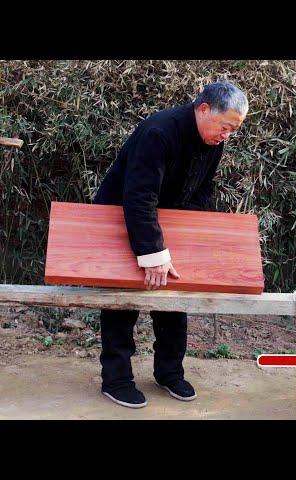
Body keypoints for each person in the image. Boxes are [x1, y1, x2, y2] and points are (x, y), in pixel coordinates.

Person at [93, 81, 248, 408]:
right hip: (119, 218)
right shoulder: (159, 132)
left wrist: (188, 238)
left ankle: (169, 372)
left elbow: (201, 191)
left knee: (175, 300)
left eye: (234, 130)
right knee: (122, 303)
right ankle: (116, 379)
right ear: (204, 109)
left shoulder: (213, 140)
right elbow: (138, 197)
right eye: (225, 127)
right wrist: (151, 253)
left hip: (169, 223)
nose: (227, 135)